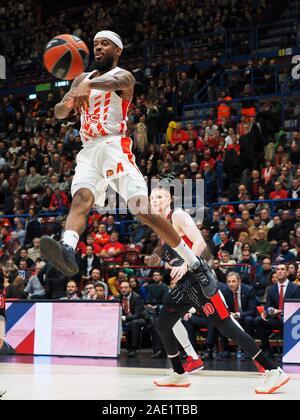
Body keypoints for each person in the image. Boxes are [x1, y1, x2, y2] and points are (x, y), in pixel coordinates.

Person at [39, 31, 211, 294]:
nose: (98, 48)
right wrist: (72, 93)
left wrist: (88, 85)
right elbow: (59, 112)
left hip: (114, 145)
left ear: (117, 50)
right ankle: (67, 249)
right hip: (89, 149)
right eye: (95, 44)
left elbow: (116, 82)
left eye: (104, 44)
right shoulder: (81, 79)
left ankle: (191, 260)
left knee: (143, 211)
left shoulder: (124, 76)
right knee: (81, 199)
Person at [150, 186, 289, 393]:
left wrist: (184, 264)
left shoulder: (177, 215)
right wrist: (171, 263)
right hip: (184, 286)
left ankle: (273, 370)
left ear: (170, 199)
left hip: (199, 280)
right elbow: (176, 253)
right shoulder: (159, 226)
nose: (154, 201)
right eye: (151, 198)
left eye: (159, 197)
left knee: (227, 326)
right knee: (162, 324)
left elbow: (198, 242)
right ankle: (179, 373)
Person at [255, 264, 300, 358]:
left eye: (282, 269)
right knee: (258, 320)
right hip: (276, 319)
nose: (279, 271)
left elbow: (296, 308)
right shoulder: (271, 289)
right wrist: (268, 311)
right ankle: (267, 350)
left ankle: (288, 352)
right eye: (278, 269)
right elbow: (267, 306)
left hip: (291, 320)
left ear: (287, 273)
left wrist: (279, 311)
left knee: (287, 323)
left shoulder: (295, 288)